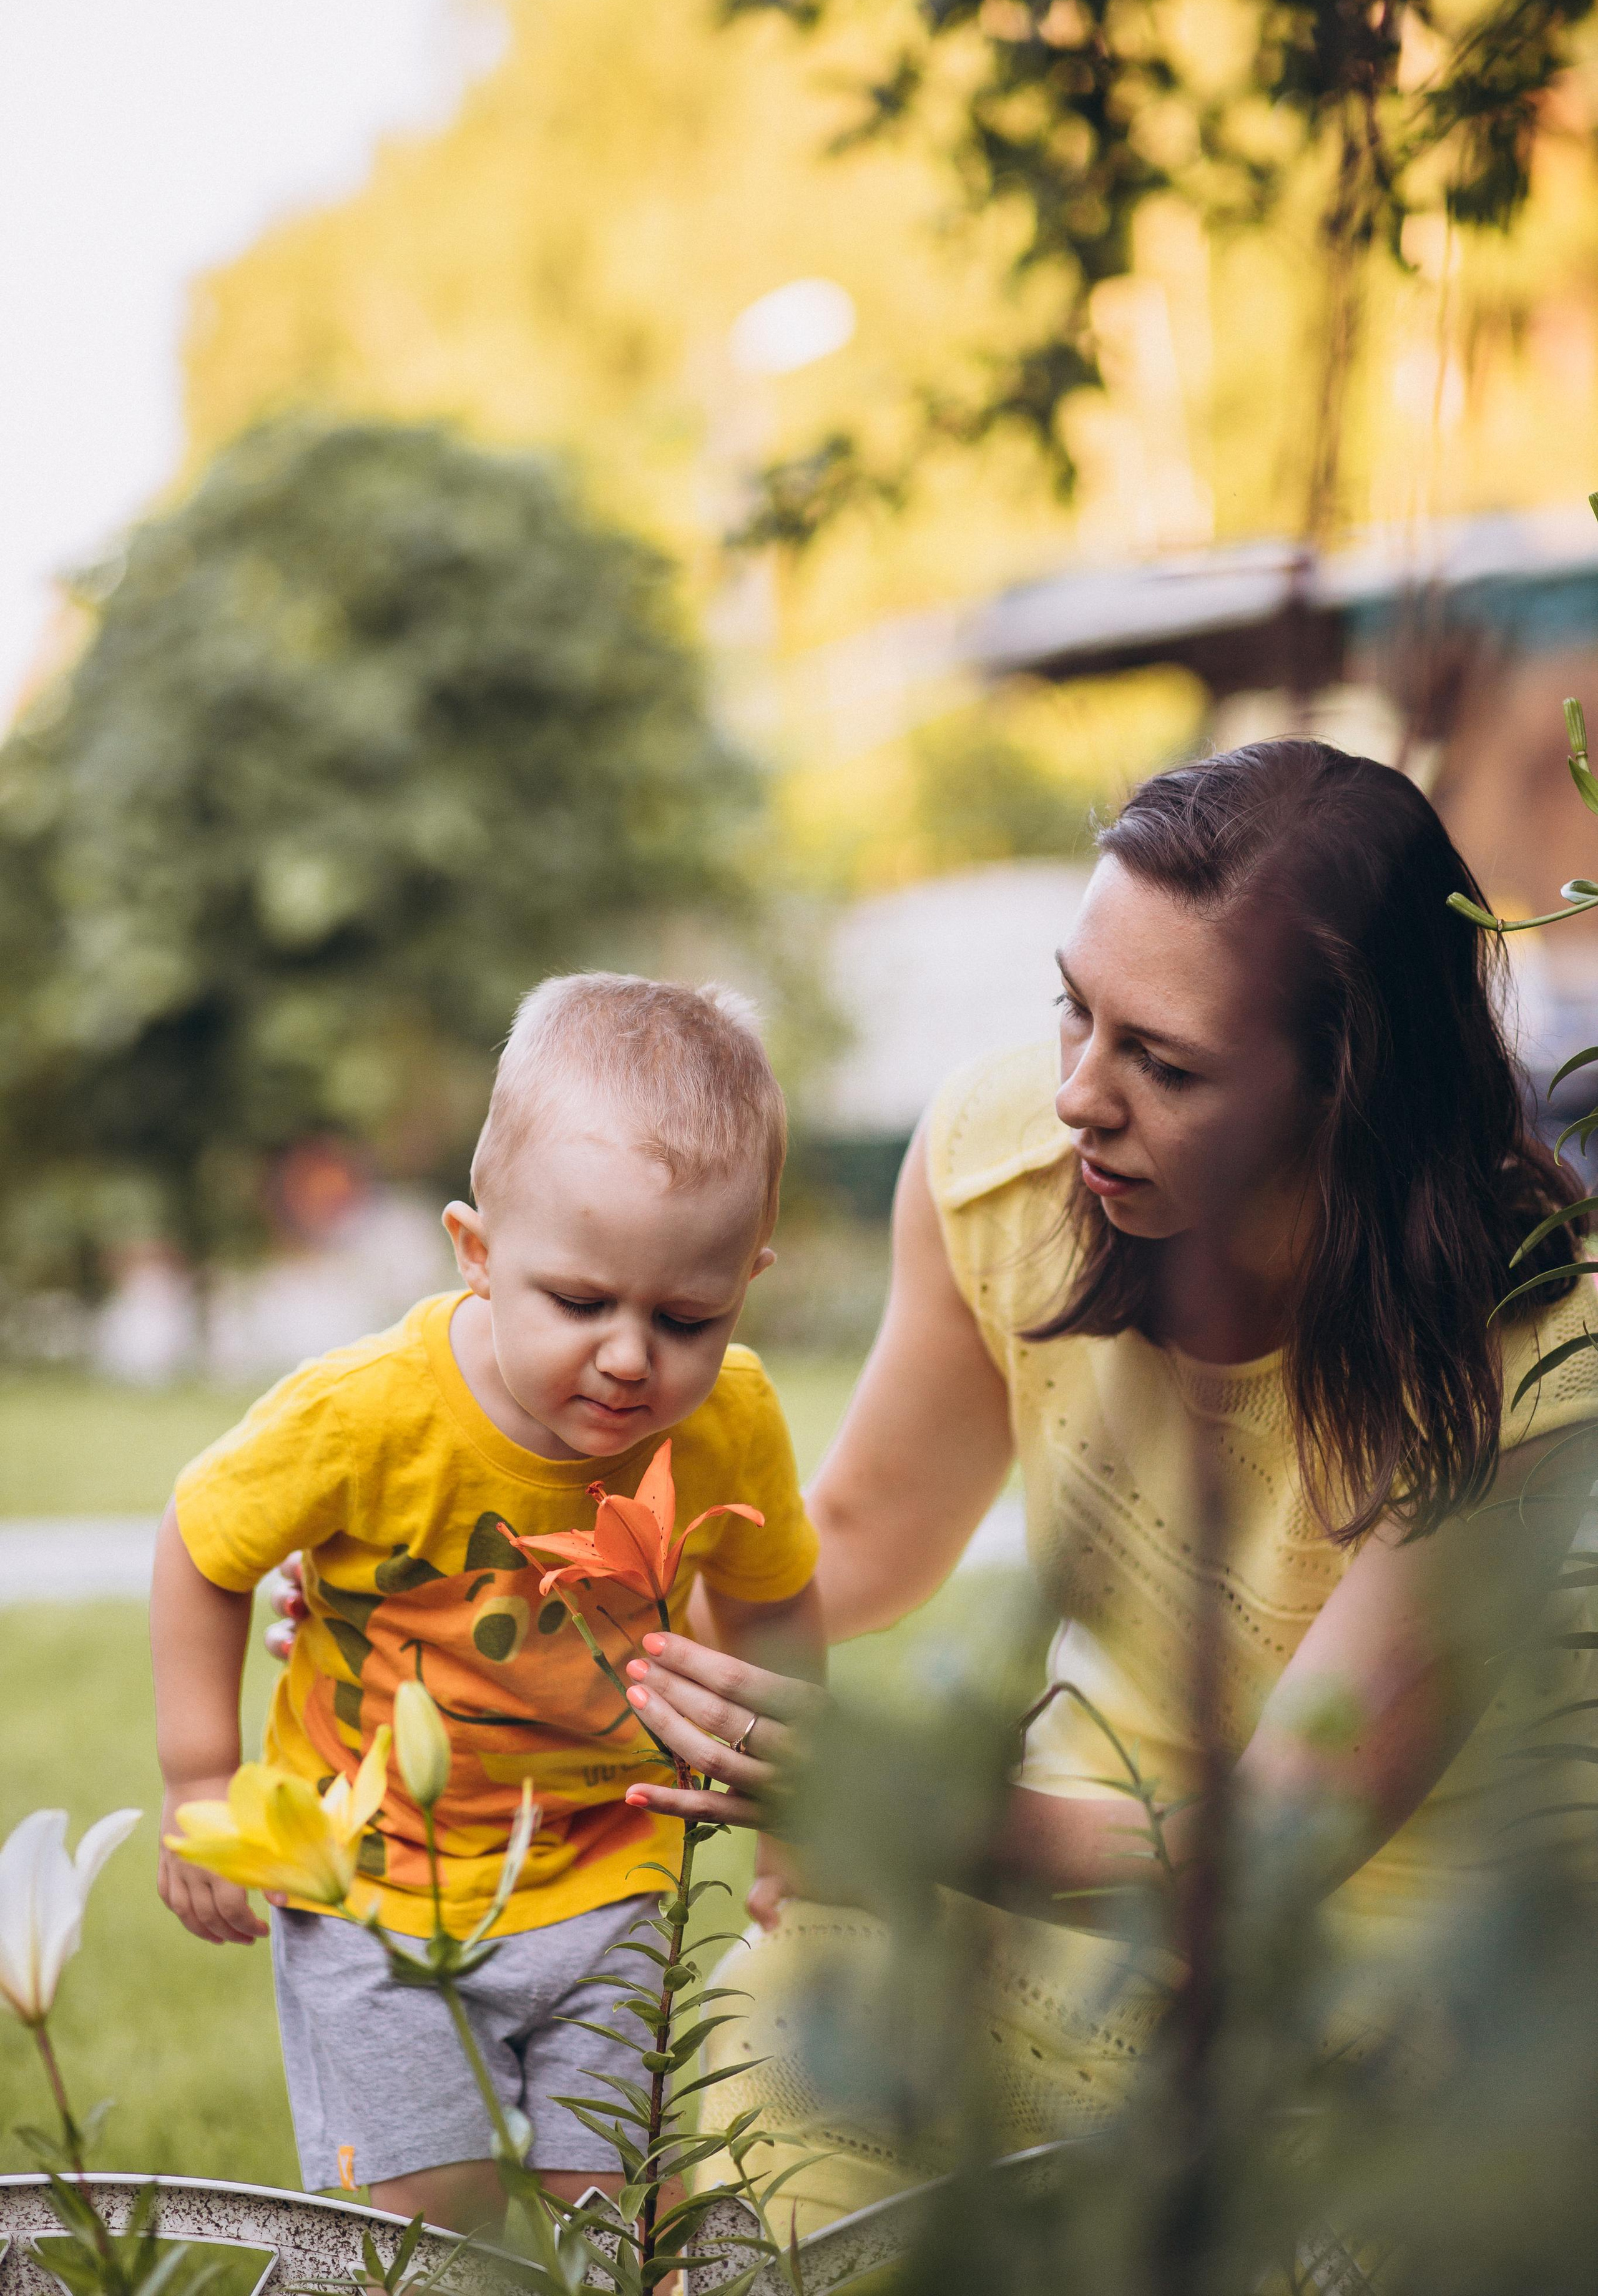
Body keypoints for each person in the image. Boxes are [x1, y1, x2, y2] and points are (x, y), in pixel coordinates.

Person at [619, 740, 1598, 2234]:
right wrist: (514, 1596)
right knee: (797, 1993)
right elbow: (850, 1547)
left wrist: (895, 1804)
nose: (1079, 1093)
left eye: (1165, 1061)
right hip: (1076, 1880)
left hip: (1409, 1962)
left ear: (1343, 1083)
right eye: (1075, 1010)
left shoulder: (1537, 1333)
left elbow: (1281, 1847)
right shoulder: (1005, 1160)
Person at [149, 973, 823, 2232]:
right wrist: (199, 1777)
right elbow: (201, 1544)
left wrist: (794, 1802)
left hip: (611, 1874)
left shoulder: (730, 1418)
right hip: (376, 1882)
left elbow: (775, 1603)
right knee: (423, 2217)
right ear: (477, 1253)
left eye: (688, 1316)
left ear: (748, 1276)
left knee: (622, 2215)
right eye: (581, 1304)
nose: (630, 1357)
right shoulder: (364, 1416)